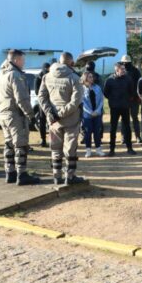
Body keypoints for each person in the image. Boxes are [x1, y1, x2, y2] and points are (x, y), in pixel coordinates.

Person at [38, 52, 85, 185]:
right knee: (70, 149)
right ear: (71, 63)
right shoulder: (75, 78)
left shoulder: (47, 76)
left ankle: (56, 176)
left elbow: (41, 96)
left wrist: (49, 112)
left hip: (53, 120)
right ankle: (70, 176)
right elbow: (76, 102)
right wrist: (61, 113)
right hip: (71, 119)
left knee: (55, 148)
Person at [0, 49, 40, 185]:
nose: (24, 63)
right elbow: (21, 99)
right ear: (16, 60)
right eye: (22, 60)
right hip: (15, 115)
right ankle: (22, 174)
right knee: (20, 144)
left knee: (9, 143)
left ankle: (10, 172)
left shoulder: (0, 74)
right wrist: (31, 116)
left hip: (3, 113)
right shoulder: (15, 75)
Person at [103, 62, 136, 156]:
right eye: (122, 69)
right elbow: (106, 93)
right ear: (117, 70)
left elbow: (131, 91)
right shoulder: (109, 80)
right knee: (113, 128)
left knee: (127, 127)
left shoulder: (128, 79)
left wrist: (127, 100)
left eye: (124, 69)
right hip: (114, 107)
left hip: (125, 107)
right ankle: (112, 149)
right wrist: (113, 100)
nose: (124, 70)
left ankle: (129, 148)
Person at [81, 71, 105, 158]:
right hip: (87, 115)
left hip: (97, 114)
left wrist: (98, 110)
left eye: (92, 77)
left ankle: (98, 149)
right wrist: (90, 112)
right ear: (85, 78)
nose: (92, 78)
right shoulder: (81, 89)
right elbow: (82, 102)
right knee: (87, 132)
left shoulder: (97, 87)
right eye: (90, 77)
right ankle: (88, 150)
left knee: (97, 132)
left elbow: (102, 99)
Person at [120, 55, 142, 145]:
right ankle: (123, 137)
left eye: (126, 63)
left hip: (134, 99)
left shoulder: (135, 71)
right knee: (124, 119)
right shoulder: (121, 71)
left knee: (134, 118)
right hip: (124, 100)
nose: (125, 64)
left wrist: (136, 96)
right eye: (124, 63)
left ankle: (138, 136)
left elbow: (139, 84)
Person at [35, 62, 50, 147]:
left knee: (52, 121)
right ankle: (43, 139)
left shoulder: (50, 76)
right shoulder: (38, 77)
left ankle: (52, 139)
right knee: (42, 121)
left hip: (51, 102)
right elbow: (37, 92)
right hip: (42, 102)